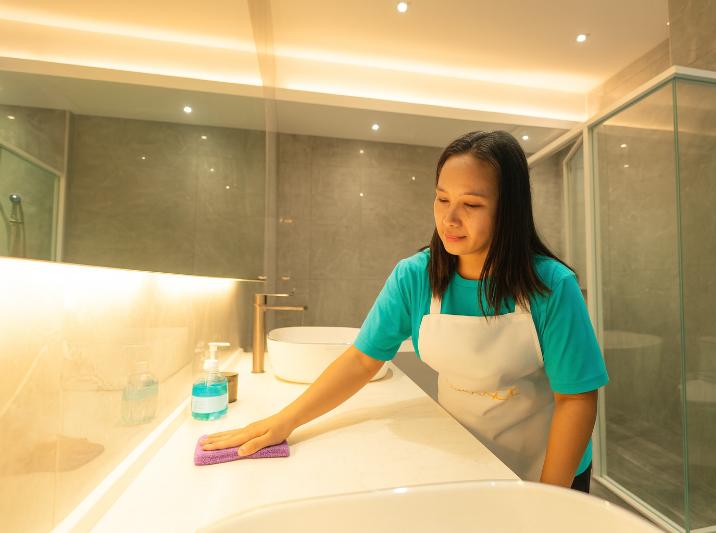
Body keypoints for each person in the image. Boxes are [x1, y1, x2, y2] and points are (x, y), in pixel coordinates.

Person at [202, 130, 609, 492]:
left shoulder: (550, 285)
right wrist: (284, 421)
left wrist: (549, 503)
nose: (449, 218)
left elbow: (576, 399)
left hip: (547, 463)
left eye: (471, 204)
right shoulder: (415, 277)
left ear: (509, 210)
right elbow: (363, 359)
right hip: (461, 450)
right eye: (442, 198)